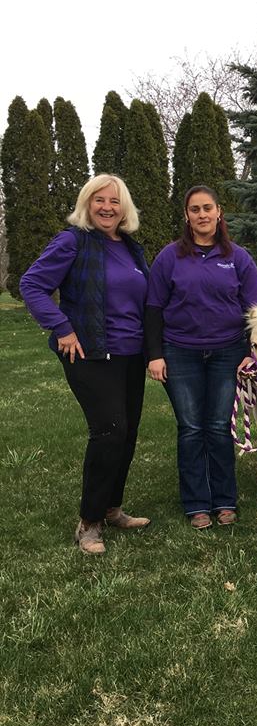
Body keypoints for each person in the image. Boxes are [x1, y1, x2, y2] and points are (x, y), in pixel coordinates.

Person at [20, 174, 150, 554]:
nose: (107, 207)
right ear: (86, 204)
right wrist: (62, 327)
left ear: (124, 208)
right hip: (90, 353)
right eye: (99, 200)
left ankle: (112, 508)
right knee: (109, 430)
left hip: (131, 354)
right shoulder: (73, 241)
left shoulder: (131, 248)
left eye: (114, 201)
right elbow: (32, 285)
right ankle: (89, 522)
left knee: (127, 432)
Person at [145, 185, 257, 528]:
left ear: (218, 211)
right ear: (186, 215)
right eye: (194, 209)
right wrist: (155, 355)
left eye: (207, 208)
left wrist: (250, 354)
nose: (202, 215)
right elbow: (153, 308)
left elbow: (255, 312)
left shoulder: (238, 258)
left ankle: (224, 500)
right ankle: (196, 504)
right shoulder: (170, 257)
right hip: (180, 352)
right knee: (191, 427)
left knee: (218, 426)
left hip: (228, 353)